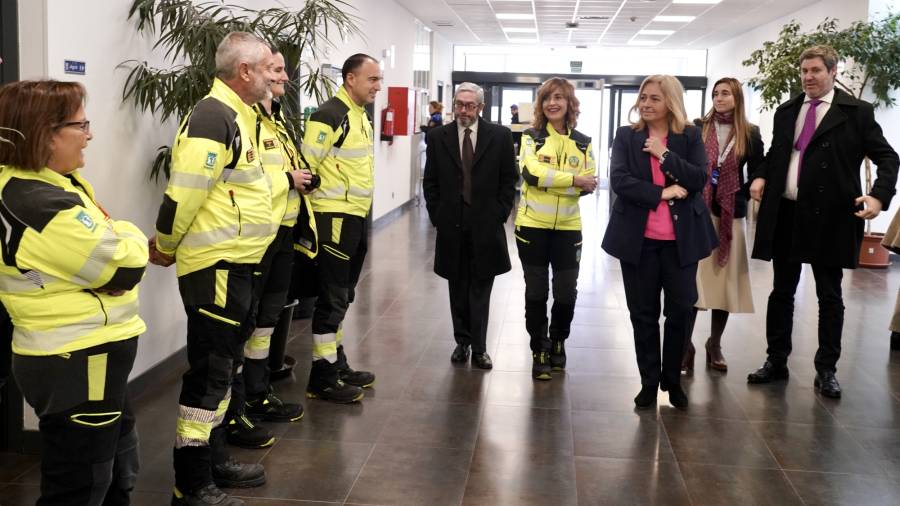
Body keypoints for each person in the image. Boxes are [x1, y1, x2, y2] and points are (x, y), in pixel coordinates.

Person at [150, 32, 307, 506]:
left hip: (240, 263)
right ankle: (191, 482)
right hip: (215, 266)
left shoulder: (242, 116)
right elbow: (185, 191)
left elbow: (252, 190)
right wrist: (166, 243)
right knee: (210, 374)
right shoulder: (212, 116)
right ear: (245, 72)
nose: (275, 75)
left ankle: (213, 460)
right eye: (267, 67)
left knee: (224, 371)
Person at [0, 80, 148, 505]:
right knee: (81, 484)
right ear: (44, 134)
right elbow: (124, 266)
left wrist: (113, 238)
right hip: (76, 357)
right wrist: (127, 231)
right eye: (81, 124)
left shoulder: (54, 183)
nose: (90, 134)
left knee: (116, 464)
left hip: (89, 352)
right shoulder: (35, 202)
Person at [746, 45, 899, 398]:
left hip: (830, 217)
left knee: (829, 296)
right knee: (781, 291)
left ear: (832, 72)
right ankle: (775, 360)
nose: (808, 77)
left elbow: (888, 157)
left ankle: (826, 369)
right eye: (804, 72)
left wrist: (878, 195)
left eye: (815, 71)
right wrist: (760, 175)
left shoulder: (857, 112)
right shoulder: (787, 111)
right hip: (787, 212)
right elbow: (775, 155)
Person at [601, 75, 717, 410]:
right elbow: (620, 180)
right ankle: (649, 382)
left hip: (681, 243)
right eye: (643, 98)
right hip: (638, 241)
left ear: (671, 102)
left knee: (680, 310)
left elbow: (698, 178)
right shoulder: (627, 135)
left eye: (655, 98)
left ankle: (673, 379)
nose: (646, 104)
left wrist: (664, 154)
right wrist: (662, 192)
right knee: (643, 313)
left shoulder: (690, 135)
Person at [225, 46, 318, 449]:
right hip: (255, 238)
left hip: (281, 232)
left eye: (283, 70)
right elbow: (246, 177)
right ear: (253, 73)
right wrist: (287, 178)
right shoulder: (243, 120)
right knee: (247, 323)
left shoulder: (275, 120)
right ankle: (237, 409)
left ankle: (259, 393)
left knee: (267, 320)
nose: (282, 77)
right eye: (275, 70)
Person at [299, 54, 380, 403]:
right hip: (332, 216)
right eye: (372, 79)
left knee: (344, 294)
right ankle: (323, 375)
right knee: (332, 296)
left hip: (355, 216)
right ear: (350, 78)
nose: (378, 86)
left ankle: (337, 361)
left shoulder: (360, 117)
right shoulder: (329, 115)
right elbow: (306, 166)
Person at [423, 82, 518, 369]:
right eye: (459, 104)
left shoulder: (499, 136)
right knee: (457, 285)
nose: (464, 110)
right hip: (451, 223)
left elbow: (508, 180)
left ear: (480, 107)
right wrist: (437, 215)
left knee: (481, 286)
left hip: (485, 225)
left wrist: (499, 213)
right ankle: (461, 341)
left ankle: (479, 347)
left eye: (470, 105)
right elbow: (431, 181)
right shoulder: (439, 137)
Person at [515, 77, 597, 380]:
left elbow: (591, 183)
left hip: (568, 228)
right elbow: (533, 175)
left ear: (569, 103)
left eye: (559, 97)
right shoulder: (531, 137)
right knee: (536, 292)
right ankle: (539, 347)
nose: (553, 102)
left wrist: (560, 182)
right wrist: (572, 180)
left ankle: (558, 340)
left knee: (566, 293)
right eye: (548, 97)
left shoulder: (583, 141)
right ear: (541, 103)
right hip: (532, 226)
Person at [681, 78, 763, 373]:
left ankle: (714, 345)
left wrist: (758, 182)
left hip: (729, 214)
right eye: (715, 93)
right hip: (697, 212)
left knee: (724, 283)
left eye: (725, 93)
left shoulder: (749, 133)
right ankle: (685, 345)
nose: (719, 98)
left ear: (737, 98)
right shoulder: (696, 127)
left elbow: (758, 168)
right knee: (693, 282)